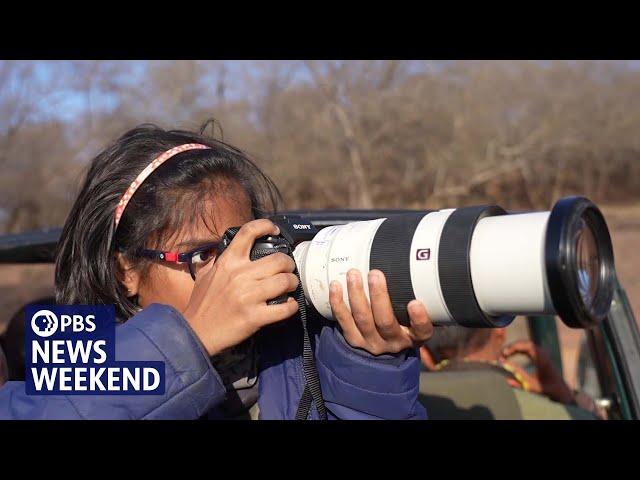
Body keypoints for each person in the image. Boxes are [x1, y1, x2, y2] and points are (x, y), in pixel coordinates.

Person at [0, 122, 432, 419]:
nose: (232, 274)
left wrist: (370, 366)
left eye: (243, 246)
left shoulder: (298, 345)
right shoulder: (71, 346)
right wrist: (189, 342)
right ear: (126, 270)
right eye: (203, 255)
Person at [420, 325, 606, 419]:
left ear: (424, 353)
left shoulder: (403, 406)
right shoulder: (537, 411)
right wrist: (567, 397)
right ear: (499, 331)